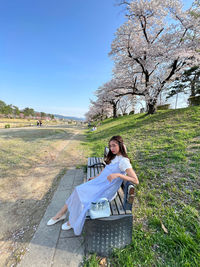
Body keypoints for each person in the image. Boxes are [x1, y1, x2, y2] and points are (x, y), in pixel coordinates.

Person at [47, 135, 139, 235]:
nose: (111, 148)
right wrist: (95, 177)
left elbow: (135, 180)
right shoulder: (114, 156)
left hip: (106, 190)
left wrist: (118, 175)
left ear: (120, 145)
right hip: (99, 183)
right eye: (110, 146)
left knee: (83, 196)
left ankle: (71, 220)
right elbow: (105, 169)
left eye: (114, 145)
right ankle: (61, 214)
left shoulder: (124, 161)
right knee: (78, 190)